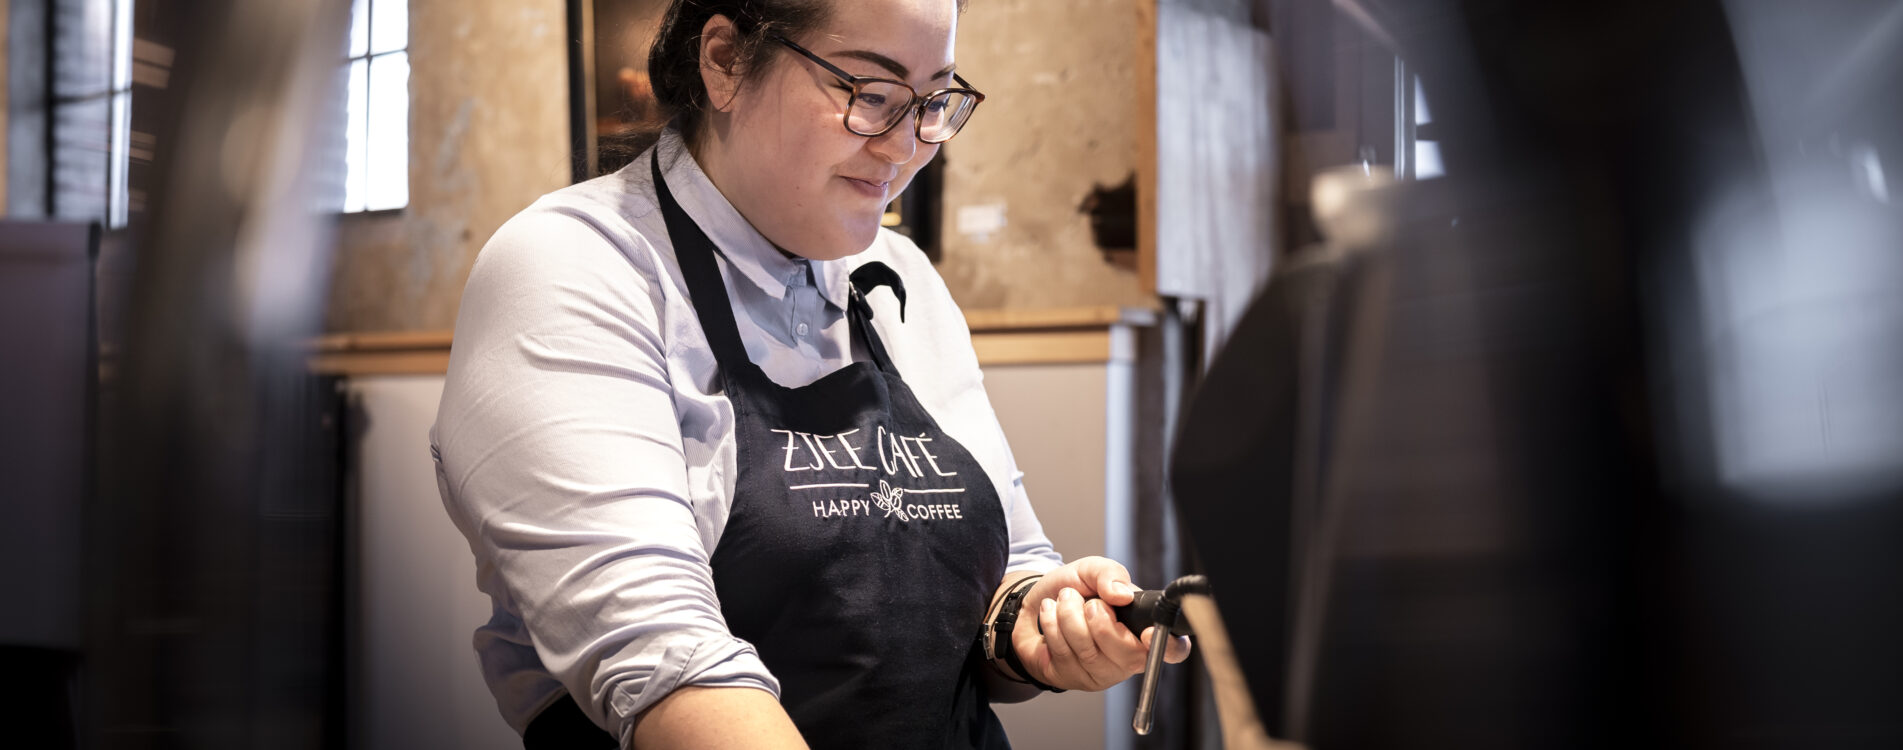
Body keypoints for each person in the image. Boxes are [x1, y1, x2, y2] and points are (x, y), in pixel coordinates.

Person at [431, 1, 1189, 747]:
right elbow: (666, 666)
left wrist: (1035, 620)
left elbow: (1002, 577)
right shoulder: (572, 267)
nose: (906, 147)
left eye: (932, 102)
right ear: (725, 61)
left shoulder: (900, 276)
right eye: (871, 94)